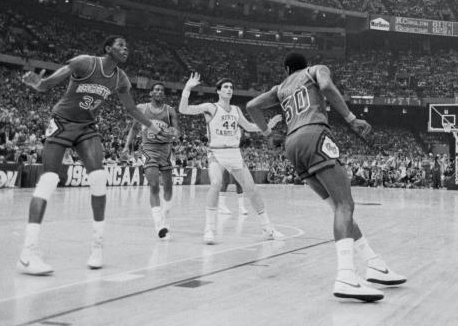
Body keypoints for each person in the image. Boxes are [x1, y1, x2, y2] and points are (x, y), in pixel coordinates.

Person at [245, 52, 406, 302]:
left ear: (287, 70)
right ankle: (346, 276)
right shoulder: (315, 70)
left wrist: (267, 133)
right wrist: (351, 118)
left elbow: (252, 106)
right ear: (305, 65)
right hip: (314, 135)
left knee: (338, 208)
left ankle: (374, 264)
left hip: (292, 145)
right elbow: (327, 86)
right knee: (345, 204)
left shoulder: (280, 88)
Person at [17, 36, 166, 275]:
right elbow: (46, 85)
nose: (125, 49)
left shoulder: (120, 78)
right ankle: (28, 252)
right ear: (108, 48)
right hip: (62, 123)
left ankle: (97, 247)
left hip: (87, 127)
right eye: (120, 45)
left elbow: (130, 108)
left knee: (98, 179)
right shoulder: (84, 63)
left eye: (128, 46)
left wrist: (151, 125)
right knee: (48, 181)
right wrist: (36, 82)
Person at [178, 73, 281, 244]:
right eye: (225, 87)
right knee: (216, 183)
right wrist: (187, 89)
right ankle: (209, 229)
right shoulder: (210, 107)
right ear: (218, 91)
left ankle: (268, 228)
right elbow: (183, 109)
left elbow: (248, 126)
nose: (229, 89)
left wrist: (268, 125)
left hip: (234, 153)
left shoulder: (236, 110)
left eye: (231, 87)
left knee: (252, 190)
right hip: (216, 153)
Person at [125, 82, 179, 239]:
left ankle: (165, 216)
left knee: (168, 188)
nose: (159, 91)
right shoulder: (142, 108)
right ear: (151, 93)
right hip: (148, 150)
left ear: (164, 94)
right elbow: (134, 129)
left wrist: (170, 132)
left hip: (166, 151)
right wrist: (127, 145)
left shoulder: (170, 110)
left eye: (162, 90)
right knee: (154, 185)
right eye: (156, 89)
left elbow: (177, 130)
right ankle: (159, 225)